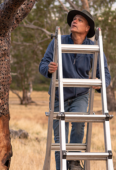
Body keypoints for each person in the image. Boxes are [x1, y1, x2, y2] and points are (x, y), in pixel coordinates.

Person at [39, 9, 111, 170]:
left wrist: (100, 83)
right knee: (60, 140)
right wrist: (49, 68)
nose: (74, 21)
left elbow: (105, 75)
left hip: (80, 95)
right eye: (74, 19)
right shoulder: (58, 41)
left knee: (78, 124)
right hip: (59, 96)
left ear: (87, 28)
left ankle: (74, 162)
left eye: (79, 20)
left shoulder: (93, 47)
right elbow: (42, 65)